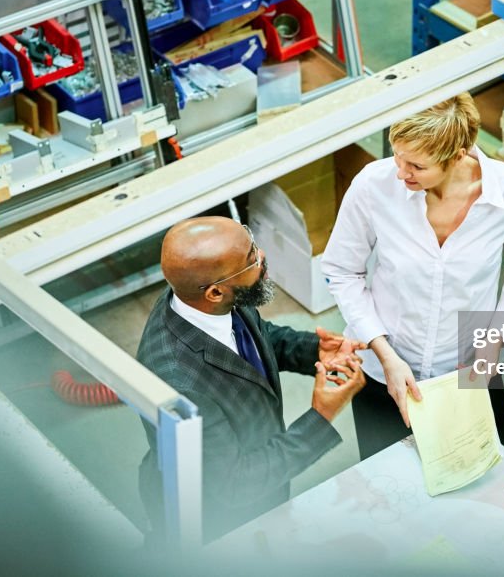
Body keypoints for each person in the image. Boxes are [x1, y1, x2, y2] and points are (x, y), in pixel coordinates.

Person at [322, 93, 504, 459]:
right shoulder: (375, 185)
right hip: (385, 374)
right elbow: (341, 270)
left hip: (467, 372)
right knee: (389, 488)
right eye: (397, 156)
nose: (400, 172)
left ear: (459, 155)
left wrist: (493, 341)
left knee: (474, 476)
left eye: (416, 165)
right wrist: (385, 354)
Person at [136, 216, 366, 542]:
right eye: (251, 259)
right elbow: (235, 483)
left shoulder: (200, 299)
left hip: (258, 473)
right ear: (215, 292)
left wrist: (314, 349)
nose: (262, 257)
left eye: (252, 244)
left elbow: (254, 336)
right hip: (221, 520)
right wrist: (321, 417)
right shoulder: (181, 384)